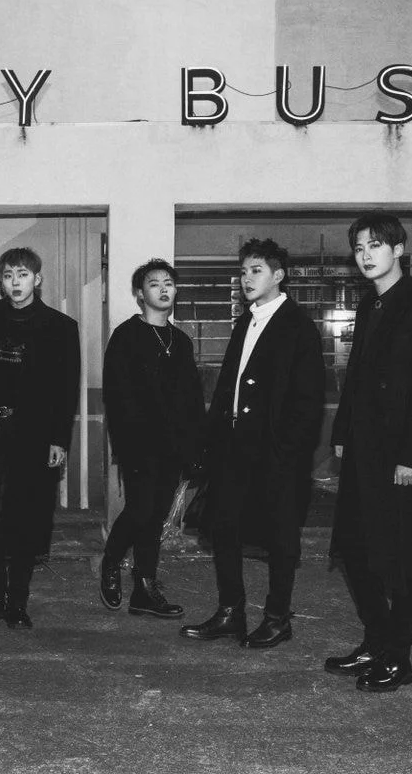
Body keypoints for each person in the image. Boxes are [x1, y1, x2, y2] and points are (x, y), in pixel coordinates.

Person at [326, 213, 412, 692]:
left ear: (398, 249)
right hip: (364, 449)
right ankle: (376, 639)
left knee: (402, 559)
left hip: (403, 454)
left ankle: (399, 656)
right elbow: (357, 376)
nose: (365, 255)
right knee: (354, 549)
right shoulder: (368, 306)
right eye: (359, 247)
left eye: (375, 245)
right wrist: (342, 431)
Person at [180, 239, 324, 649]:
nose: (246, 278)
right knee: (224, 528)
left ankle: (278, 619)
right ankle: (231, 612)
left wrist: (287, 452)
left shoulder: (298, 326)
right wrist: (209, 444)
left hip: (275, 452)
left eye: (256, 270)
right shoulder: (246, 321)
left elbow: (308, 400)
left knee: (280, 536)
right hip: (233, 448)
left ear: (279, 275)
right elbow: (228, 387)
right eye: (243, 272)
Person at [0, 247, 80, 629]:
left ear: (37, 279)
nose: (15, 282)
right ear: (1, 281)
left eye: (22, 275)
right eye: (8, 275)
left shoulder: (60, 326)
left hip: (33, 438)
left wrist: (59, 440)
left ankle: (18, 602)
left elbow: (66, 388)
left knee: (27, 519)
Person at [99, 259, 205, 618]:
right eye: (154, 283)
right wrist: (125, 445)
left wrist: (195, 448)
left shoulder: (181, 341)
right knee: (140, 510)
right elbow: (115, 397)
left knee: (156, 516)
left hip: (173, 448)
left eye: (168, 283)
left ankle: (144, 589)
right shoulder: (126, 336)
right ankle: (111, 561)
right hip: (139, 446)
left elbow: (192, 399)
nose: (163, 289)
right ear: (140, 294)